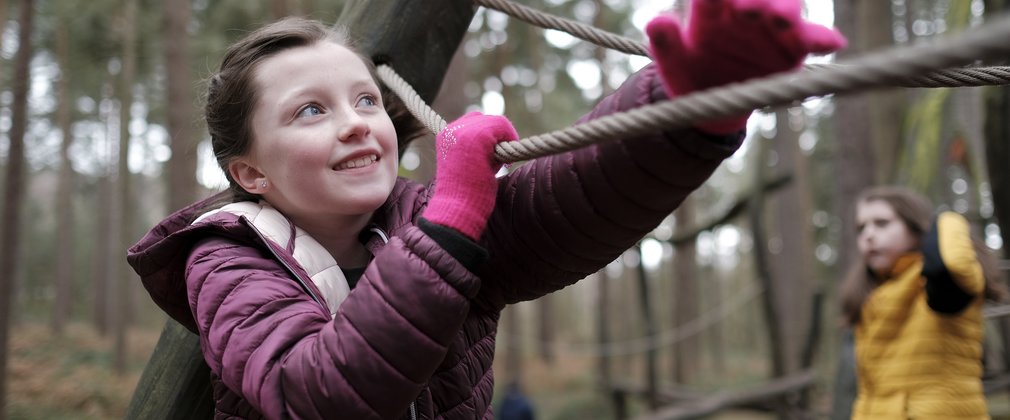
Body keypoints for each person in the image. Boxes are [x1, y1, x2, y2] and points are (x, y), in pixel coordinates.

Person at [127, 1, 845, 418]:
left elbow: (568, 204)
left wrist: (686, 102)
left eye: (366, 100)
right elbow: (313, 393)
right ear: (249, 170)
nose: (356, 122)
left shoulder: (423, 219)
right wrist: (451, 218)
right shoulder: (225, 258)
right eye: (310, 110)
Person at [840, 186, 1007, 419]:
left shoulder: (939, 281)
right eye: (861, 228)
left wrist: (946, 219)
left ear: (916, 227)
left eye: (882, 223)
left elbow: (954, 264)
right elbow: (869, 394)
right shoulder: (871, 296)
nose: (868, 235)